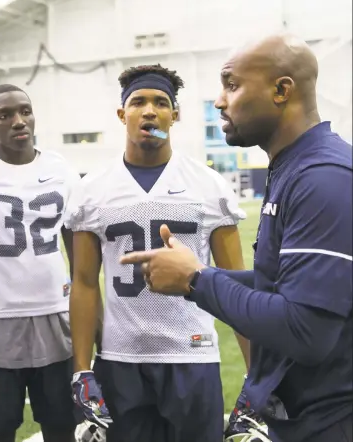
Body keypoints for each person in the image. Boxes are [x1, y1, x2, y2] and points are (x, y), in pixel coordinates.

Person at [120, 35, 353, 442]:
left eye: (231, 84)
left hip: (330, 421)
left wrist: (197, 281)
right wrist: (195, 272)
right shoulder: (293, 167)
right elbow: (280, 283)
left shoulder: (323, 178)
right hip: (305, 415)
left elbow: (307, 332)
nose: (219, 101)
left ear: (282, 90)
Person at [66, 64, 251, 442]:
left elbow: (237, 288)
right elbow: (84, 284)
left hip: (192, 355)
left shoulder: (207, 184)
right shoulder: (93, 190)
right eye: (138, 102)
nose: (150, 111)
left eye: (161, 102)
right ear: (122, 114)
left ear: (175, 114)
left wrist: (256, 372)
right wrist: (82, 370)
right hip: (121, 361)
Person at [0, 84, 81, 442]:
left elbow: (83, 266)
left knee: (62, 424)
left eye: (25, 111)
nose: (19, 121)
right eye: (4, 115)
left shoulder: (60, 169)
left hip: (56, 317)